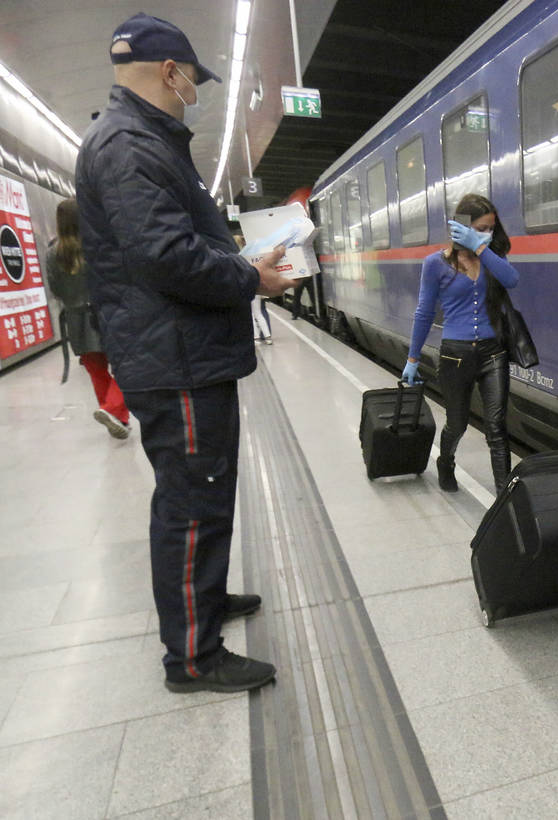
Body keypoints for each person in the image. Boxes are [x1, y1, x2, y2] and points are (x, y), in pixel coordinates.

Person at [75, 13, 298, 694]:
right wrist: (248, 276)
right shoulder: (128, 146)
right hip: (175, 360)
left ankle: (205, 599)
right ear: (168, 72)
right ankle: (193, 658)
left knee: (200, 494)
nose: (194, 94)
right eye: (192, 81)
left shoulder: (140, 140)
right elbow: (164, 254)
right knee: (192, 501)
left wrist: (235, 258)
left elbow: (168, 242)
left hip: (180, 352)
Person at [401, 193, 520, 494]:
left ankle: (504, 496)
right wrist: (413, 359)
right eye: (480, 228)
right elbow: (425, 312)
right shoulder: (435, 264)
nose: (487, 234)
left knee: (496, 428)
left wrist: (481, 244)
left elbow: (512, 279)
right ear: (461, 226)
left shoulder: (491, 258)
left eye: (490, 228)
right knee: (457, 424)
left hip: (494, 353)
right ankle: (446, 462)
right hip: (455, 356)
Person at [44, 199, 131, 439]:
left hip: (75, 318)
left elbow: (55, 289)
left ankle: (116, 416)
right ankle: (113, 409)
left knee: (96, 370)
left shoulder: (52, 253)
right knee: (126, 364)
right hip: (105, 313)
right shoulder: (96, 245)